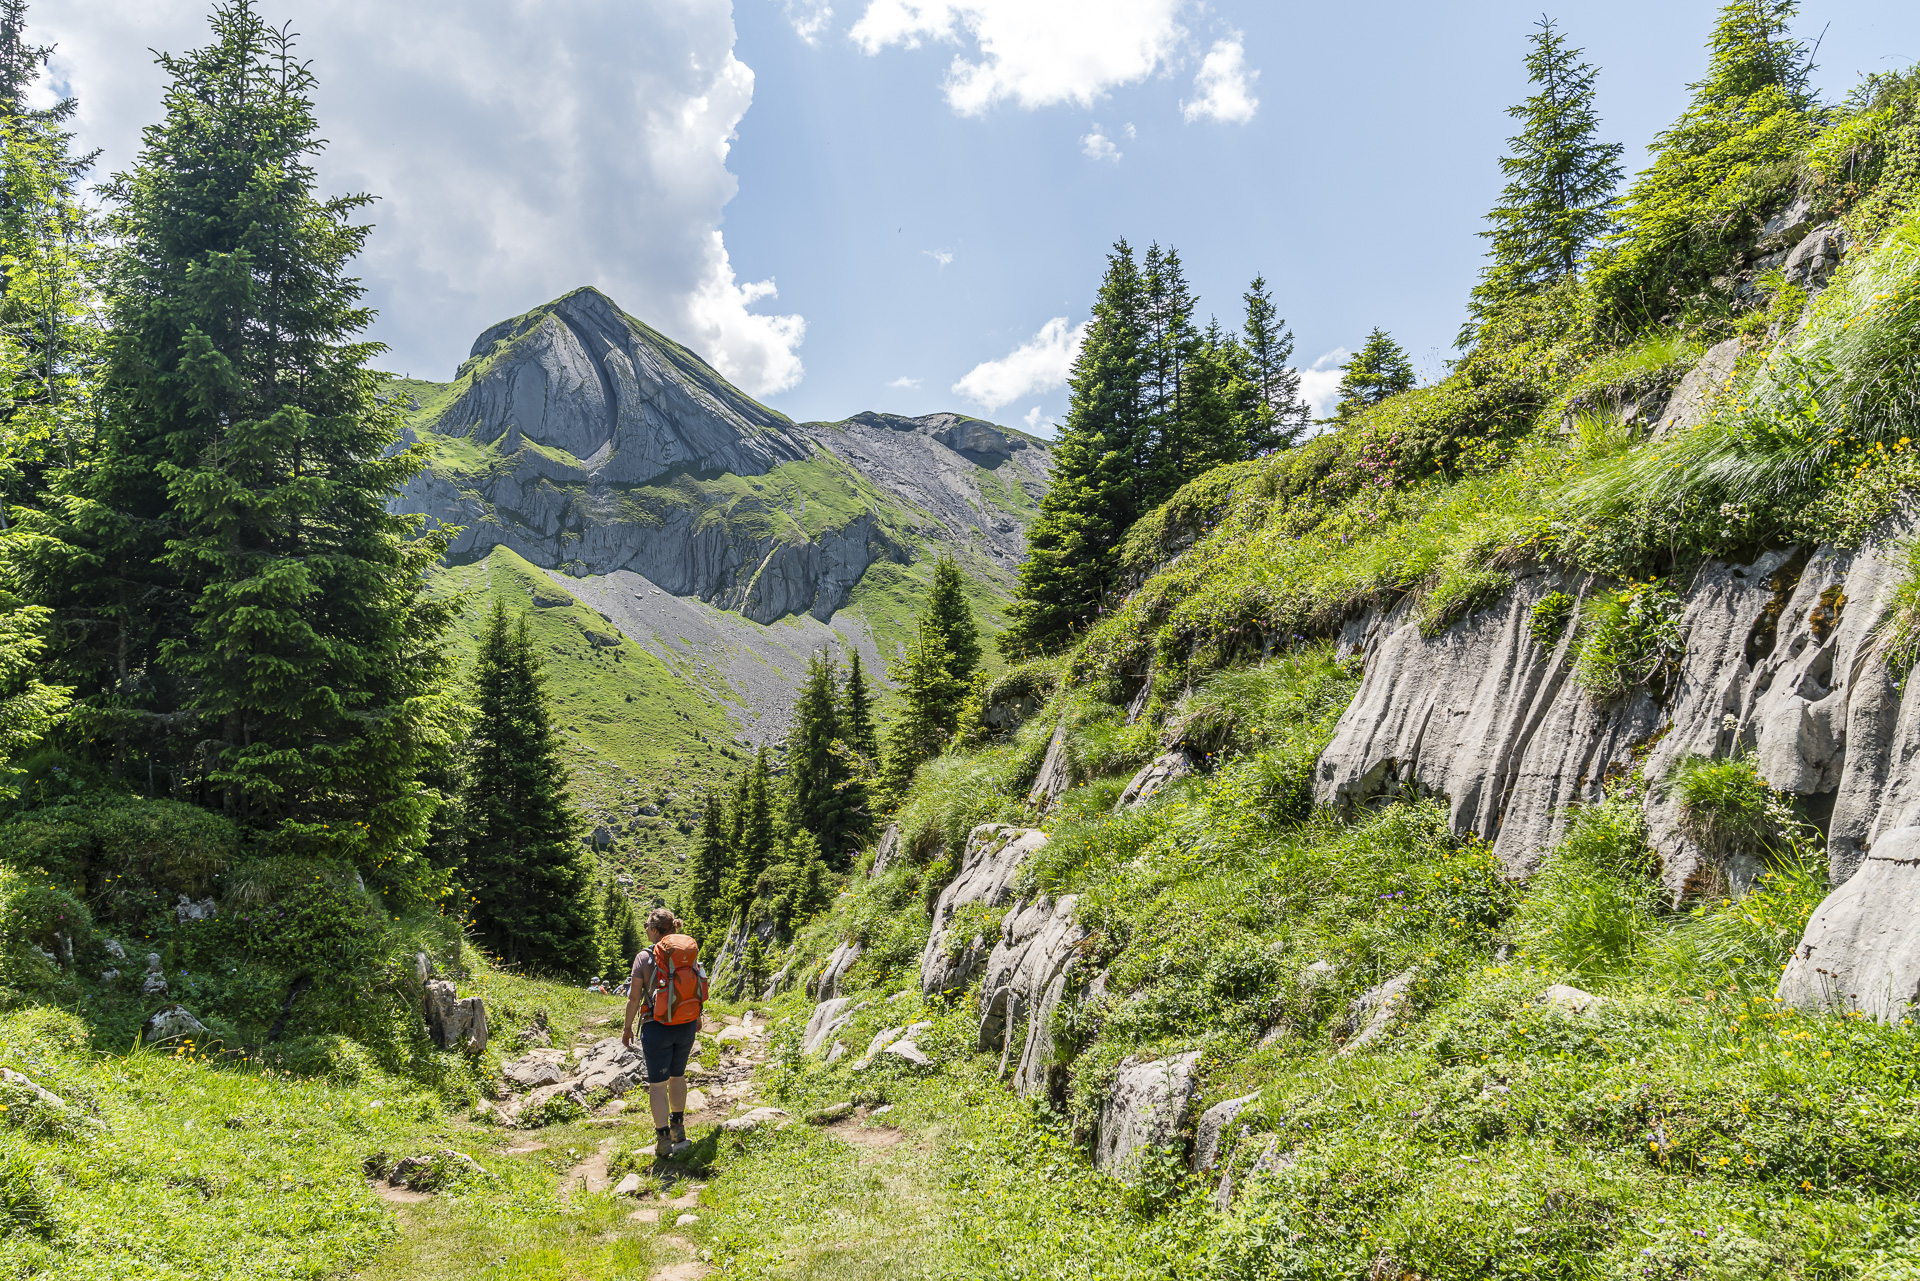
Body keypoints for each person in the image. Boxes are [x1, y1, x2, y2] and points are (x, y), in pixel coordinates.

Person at [622, 908, 705, 1158]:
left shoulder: (643, 957)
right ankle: (678, 1127)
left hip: (656, 1026)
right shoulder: (687, 951)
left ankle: (662, 1139)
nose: (646, 929)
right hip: (687, 1023)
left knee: (657, 1085)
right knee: (678, 1076)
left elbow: (634, 997)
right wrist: (697, 1015)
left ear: (656, 930)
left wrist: (627, 1028)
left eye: (648, 925)